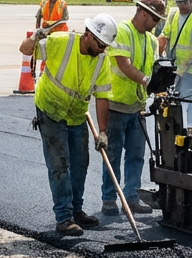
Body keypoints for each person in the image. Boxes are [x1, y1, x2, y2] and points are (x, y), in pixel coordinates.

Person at [19, 13, 118, 236]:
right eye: (101, 45)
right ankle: (63, 218)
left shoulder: (102, 59)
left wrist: (103, 132)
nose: (102, 50)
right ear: (88, 35)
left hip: (76, 115)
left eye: (105, 46)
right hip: (50, 110)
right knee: (60, 164)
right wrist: (35, 37)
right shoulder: (61, 42)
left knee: (80, 163)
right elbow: (25, 49)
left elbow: (103, 96)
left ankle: (76, 210)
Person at [100, 0, 167, 216]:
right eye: (155, 18)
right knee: (113, 155)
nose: (156, 24)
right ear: (143, 13)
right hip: (116, 104)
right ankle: (109, 198)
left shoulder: (152, 40)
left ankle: (131, 197)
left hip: (138, 107)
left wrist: (160, 87)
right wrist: (147, 81)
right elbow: (124, 64)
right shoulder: (123, 31)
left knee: (136, 155)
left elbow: (154, 69)